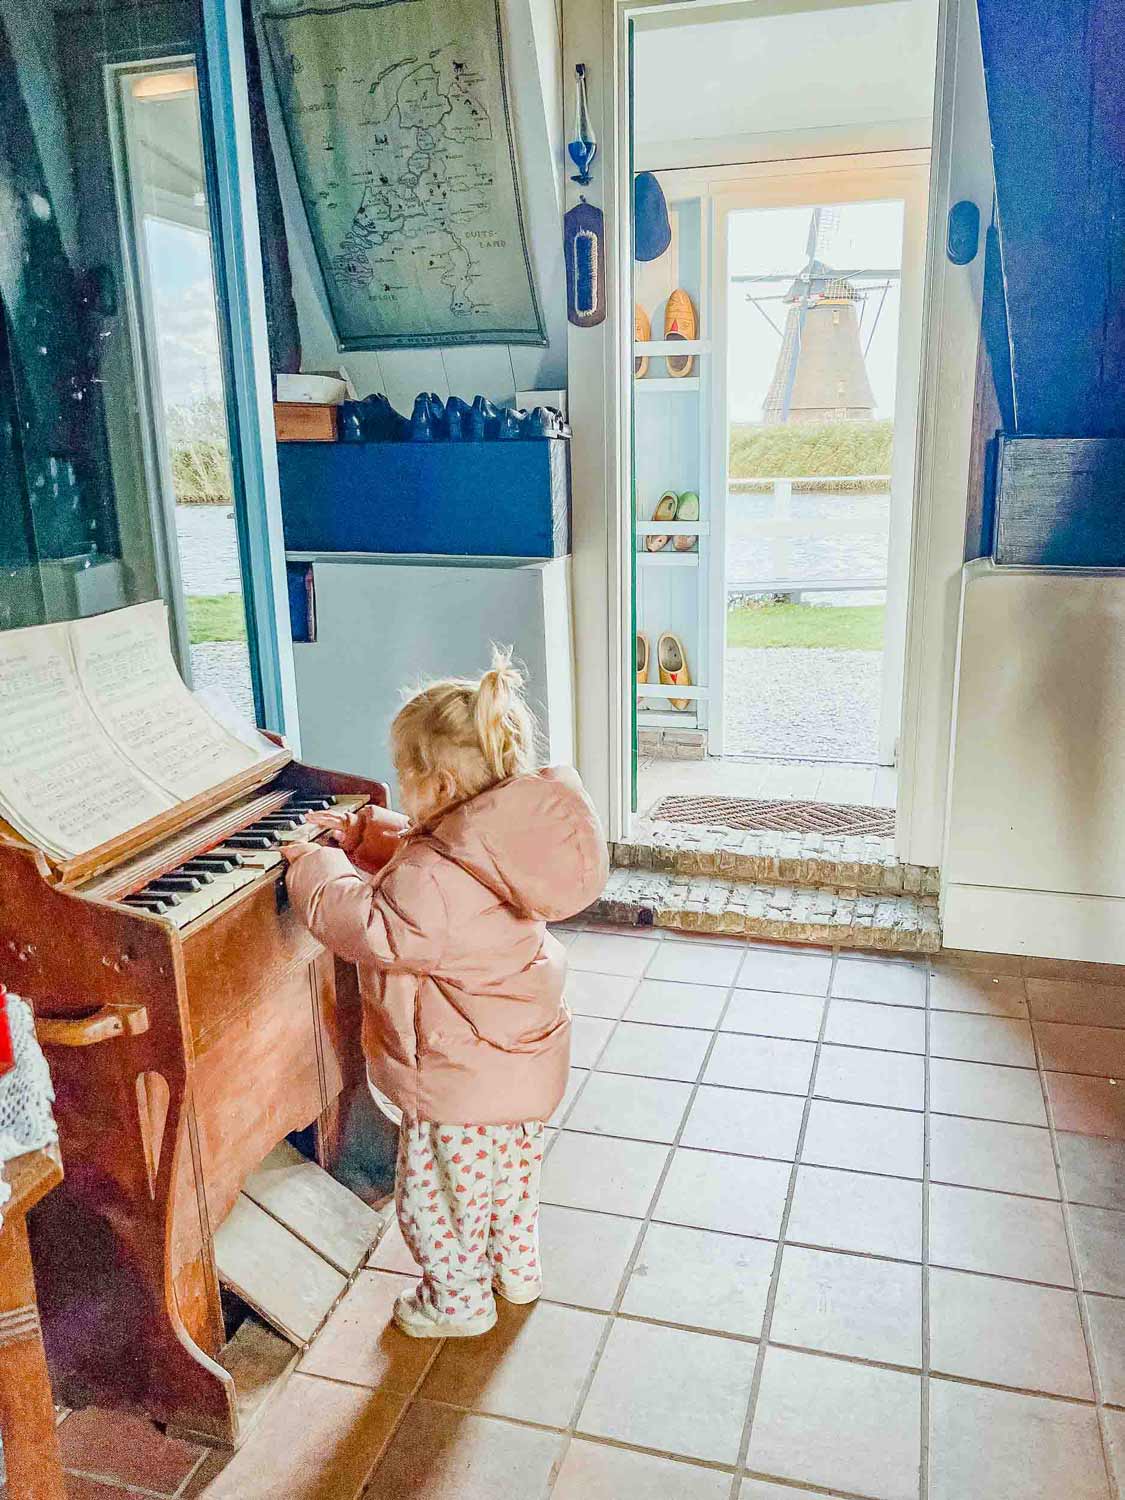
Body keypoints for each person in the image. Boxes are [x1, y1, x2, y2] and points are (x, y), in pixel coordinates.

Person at [282, 652, 607, 1338]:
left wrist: (317, 866)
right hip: (517, 1065)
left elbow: (373, 925)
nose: (401, 795)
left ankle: (455, 1305)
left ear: (439, 783)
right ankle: (516, 1271)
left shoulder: (434, 873)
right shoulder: (501, 841)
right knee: (510, 1184)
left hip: (456, 1076)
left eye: (405, 783)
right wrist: (373, 839)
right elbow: (439, 871)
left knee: (438, 1199)